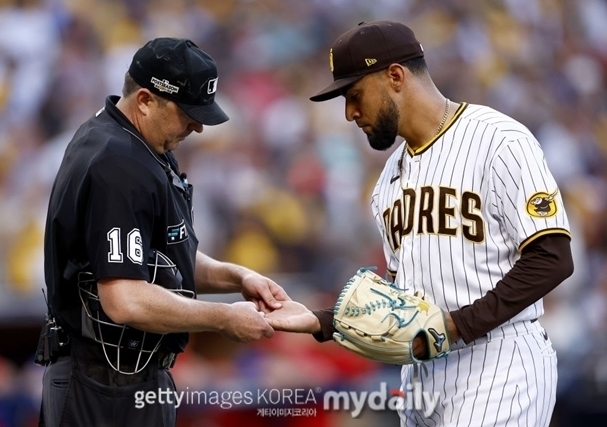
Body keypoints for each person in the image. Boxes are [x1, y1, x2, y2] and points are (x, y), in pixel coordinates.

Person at [265, 21, 573, 427]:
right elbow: (401, 297)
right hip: (422, 372)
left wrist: (457, 325)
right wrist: (325, 320)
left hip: (500, 359)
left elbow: (552, 258)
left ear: (395, 76)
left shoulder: (499, 140)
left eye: (354, 95)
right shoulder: (387, 181)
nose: (349, 113)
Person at [37, 37, 289, 427]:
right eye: (188, 111)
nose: (198, 126)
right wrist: (222, 319)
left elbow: (165, 259)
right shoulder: (117, 162)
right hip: (102, 387)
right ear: (144, 100)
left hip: (126, 381)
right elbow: (124, 299)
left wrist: (238, 277)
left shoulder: (137, 144)